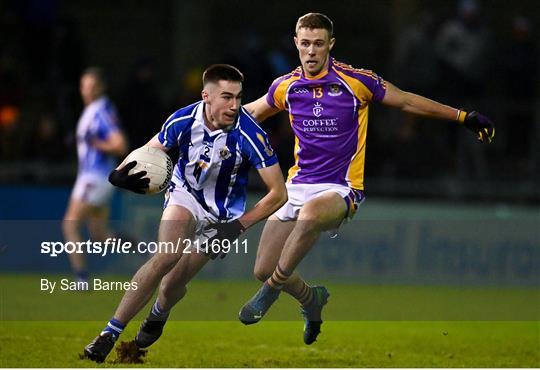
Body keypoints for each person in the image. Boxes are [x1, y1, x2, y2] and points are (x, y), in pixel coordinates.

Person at [238, 12, 495, 345]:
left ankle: (270, 291)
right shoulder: (286, 86)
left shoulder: (356, 81)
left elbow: (405, 100)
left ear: (330, 44)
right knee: (262, 267)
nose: (312, 51)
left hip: (341, 188)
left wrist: (462, 116)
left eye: (318, 43)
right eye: (305, 44)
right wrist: (196, 124)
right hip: (296, 186)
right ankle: (311, 300)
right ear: (296, 44)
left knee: (310, 217)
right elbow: (251, 113)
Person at [83, 64, 287, 363]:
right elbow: (149, 150)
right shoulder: (182, 119)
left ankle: (159, 313)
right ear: (206, 96)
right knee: (167, 255)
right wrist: (119, 174)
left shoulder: (250, 135)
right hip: (185, 194)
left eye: (239, 97)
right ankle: (109, 333)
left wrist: (236, 228)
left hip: (224, 216)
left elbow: (278, 194)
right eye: (227, 97)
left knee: (171, 286)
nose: (235, 105)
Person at [62, 67, 128, 286]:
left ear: (101, 87)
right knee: (99, 234)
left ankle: (81, 279)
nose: (87, 90)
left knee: (70, 225)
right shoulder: (92, 110)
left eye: (92, 86)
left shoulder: (101, 110)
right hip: (96, 178)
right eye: (84, 85)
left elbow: (120, 145)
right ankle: (145, 249)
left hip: (94, 177)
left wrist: (96, 143)